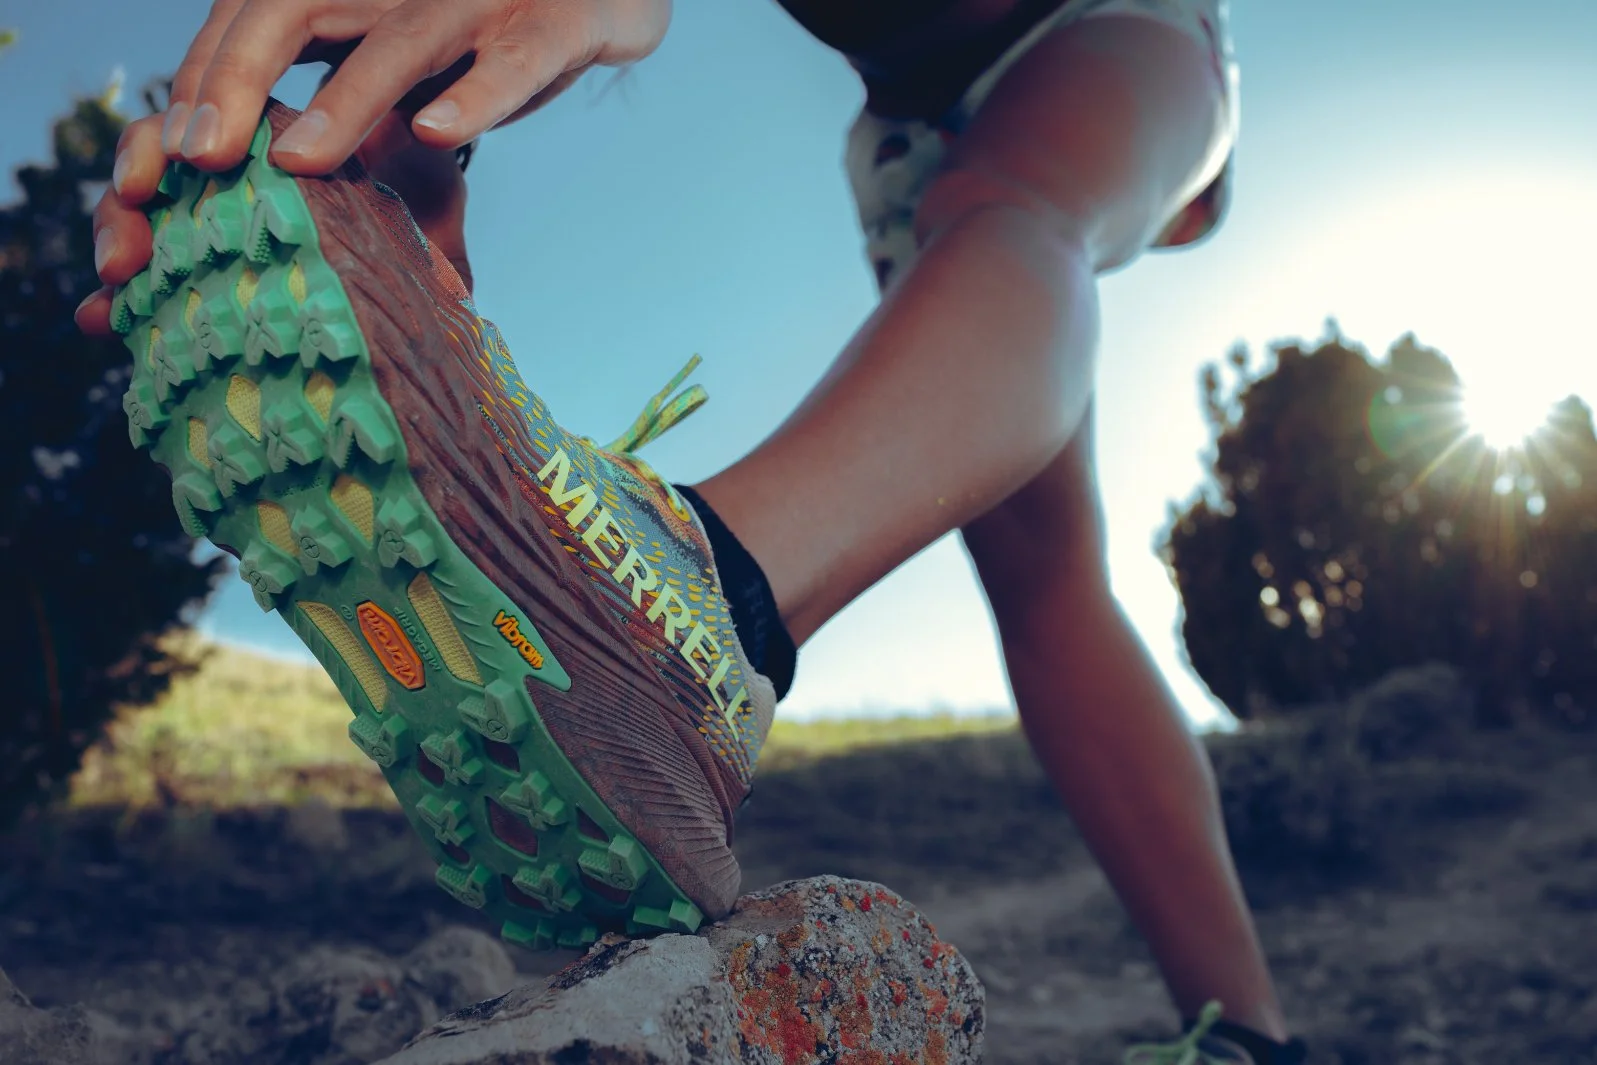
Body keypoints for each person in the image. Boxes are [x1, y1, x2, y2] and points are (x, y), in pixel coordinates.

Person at [76, 1, 1306, 1060]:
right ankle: (1251, 1036)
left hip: (1111, 32)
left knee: (1013, 202)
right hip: (903, 136)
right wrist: (423, 132)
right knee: (1037, 574)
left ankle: (710, 606)